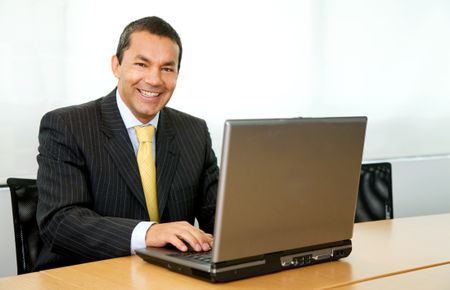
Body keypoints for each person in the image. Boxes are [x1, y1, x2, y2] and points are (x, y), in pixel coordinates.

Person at [35, 16, 218, 270]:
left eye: (167, 68)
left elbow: (219, 216)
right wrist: (148, 233)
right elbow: (60, 223)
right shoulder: (67, 126)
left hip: (167, 279)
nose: (154, 79)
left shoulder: (194, 131)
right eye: (142, 64)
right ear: (116, 66)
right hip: (84, 277)